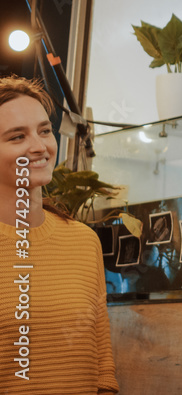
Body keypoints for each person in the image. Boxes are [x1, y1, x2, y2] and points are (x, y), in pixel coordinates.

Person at [0, 76, 119, 394]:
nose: (39, 147)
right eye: (17, 137)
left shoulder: (83, 241)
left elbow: (102, 369)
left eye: (44, 130)